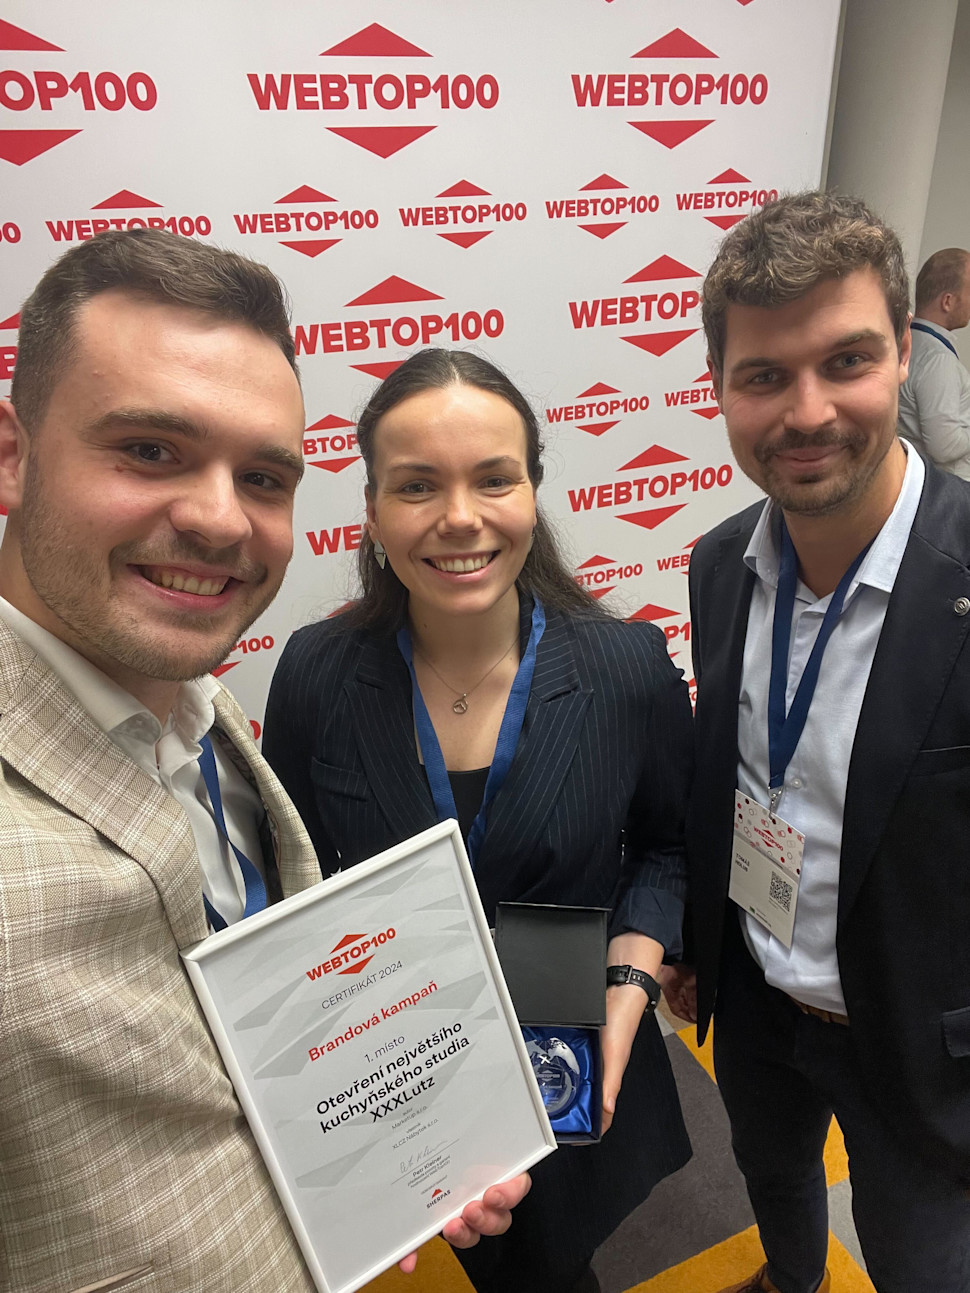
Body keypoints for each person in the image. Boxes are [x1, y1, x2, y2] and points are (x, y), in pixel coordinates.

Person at [0, 230, 528, 1293]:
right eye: (149, 449)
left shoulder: (207, 708)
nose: (216, 518)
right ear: (12, 456)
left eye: (263, 476)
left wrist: (391, 1148)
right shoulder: (314, 673)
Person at [263, 347, 694, 1293]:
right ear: (372, 509)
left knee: (554, 1263)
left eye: (493, 478)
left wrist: (629, 985)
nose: (459, 516)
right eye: (418, 485)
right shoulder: (314, 673)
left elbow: (667, 848)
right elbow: (289, 883)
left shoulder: (626, 667)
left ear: (532, 492)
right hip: (401, 1060)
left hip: (571, 1039)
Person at [660, 191, 970, 1293]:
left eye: (846, 361)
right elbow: (736, 771)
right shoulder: (717, 565)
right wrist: (700, 938)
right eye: (763, 375)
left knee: (920, 1262)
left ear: (904, 353)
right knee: (775, 1180)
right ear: (718, 386)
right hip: (754, 998)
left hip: (921, 1044)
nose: (806, 411)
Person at [897, 246, 970, 478]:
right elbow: (945, 447)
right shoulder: (938, 360)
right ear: (947, 301)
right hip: (950, 485)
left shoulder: (906, 343)